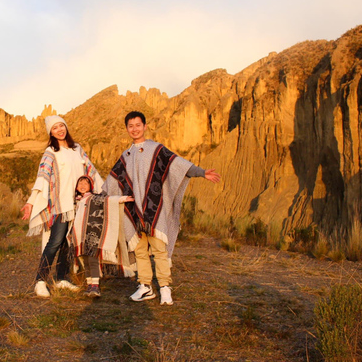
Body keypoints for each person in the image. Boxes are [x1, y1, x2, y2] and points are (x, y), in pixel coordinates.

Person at [105, 111, 221, 305]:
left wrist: (200, 172)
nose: (134, 129)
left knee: (159, 249)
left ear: (145, 126)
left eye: (138, 125)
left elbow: (177, 164)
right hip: (134, 211)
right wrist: (92, 194)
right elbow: (111, 181)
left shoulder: (156, 149)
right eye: (130, 126)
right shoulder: (125, 156)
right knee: (140, 250)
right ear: (126, 129)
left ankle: (165, 287)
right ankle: (145, 286)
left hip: (155, 207)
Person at [21, 115, 104, 298]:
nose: (60, 130)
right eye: (55, 128)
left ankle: (61, 278)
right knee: (55, 242)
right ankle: (40, 281)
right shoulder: (51, 152)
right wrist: (31, 202)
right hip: (59, 205)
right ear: (51, 132)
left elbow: (91, 171)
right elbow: (42, 177)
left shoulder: (77, 149)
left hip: (78, 204)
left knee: (69, 242)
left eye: (62, 126)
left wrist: (104, 190)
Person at [71, 175, 134, 297]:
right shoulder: (77, 201)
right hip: (80, 237)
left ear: (91, 186)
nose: (83, 185)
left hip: (92, 235)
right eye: (80, 183)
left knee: (92, 259)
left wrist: (122, 198)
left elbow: (108, 200)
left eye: (86, 183)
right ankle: (89, 285)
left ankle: (95, 286)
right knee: (86, 261)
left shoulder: (94, 198)